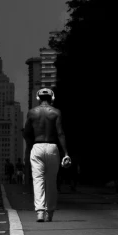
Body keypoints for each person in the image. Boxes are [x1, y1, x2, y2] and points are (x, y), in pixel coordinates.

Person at [23, 88, 70, 222]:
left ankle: (39, 211)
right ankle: (49, 212)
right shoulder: (56, 112)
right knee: (51, 181)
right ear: (52, 98)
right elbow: (60, 133)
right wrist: (66, 153)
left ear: (38, 98)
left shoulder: (32, 113)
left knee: (38, 180)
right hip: (52, 147)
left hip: (37, 146)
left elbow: (26, 133)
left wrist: (32, 145)